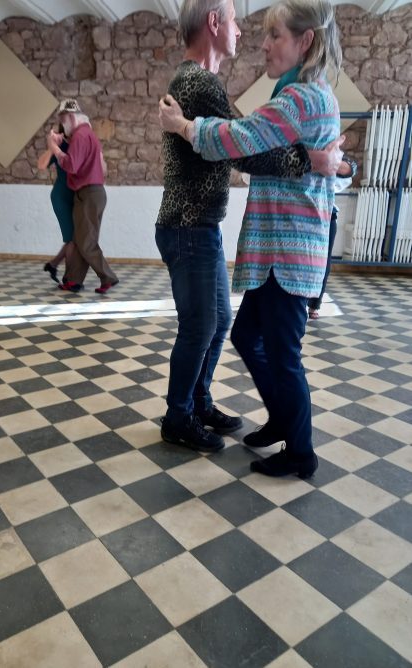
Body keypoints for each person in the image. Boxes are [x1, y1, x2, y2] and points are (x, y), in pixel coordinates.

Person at [159, 0, 342, 477]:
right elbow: (251, 144)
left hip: (288, 251)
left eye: (274, 35)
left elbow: (241, 140)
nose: (258, 41)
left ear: (305, 42)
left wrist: (184, 126)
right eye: (243, 24)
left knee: (272, 349)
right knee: (230, 330)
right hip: (262, 245)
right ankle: (242, 417)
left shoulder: (301, 97)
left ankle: (299, 450)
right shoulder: (291, 94)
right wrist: (320, 161)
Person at [47, 99, 118, 294]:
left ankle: (108, 277)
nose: (63, 125)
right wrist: (64, 142)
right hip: (93, 193)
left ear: (71, 117)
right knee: (80, 240)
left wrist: (54, 148)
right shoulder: (88, 134)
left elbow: (71, 165)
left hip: (88, 193)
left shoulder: (80, 135)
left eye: (63, 120)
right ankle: (73, 280)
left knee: (86, 242)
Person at [308, 156, 357, 319]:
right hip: (300, 210)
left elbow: (351, 168)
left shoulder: (333, 152)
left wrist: (326, 161)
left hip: (326, 213)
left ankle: (314, 304)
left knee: (323, 262)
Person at [38, 112, 75, 286]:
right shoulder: (60, 146)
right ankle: (69, 278)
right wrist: (52, 146)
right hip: (61, 196)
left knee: (74, 239)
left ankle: (53, 265)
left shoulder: (79, 143)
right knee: (72, 239)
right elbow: (41, 165)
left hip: (77, 196)